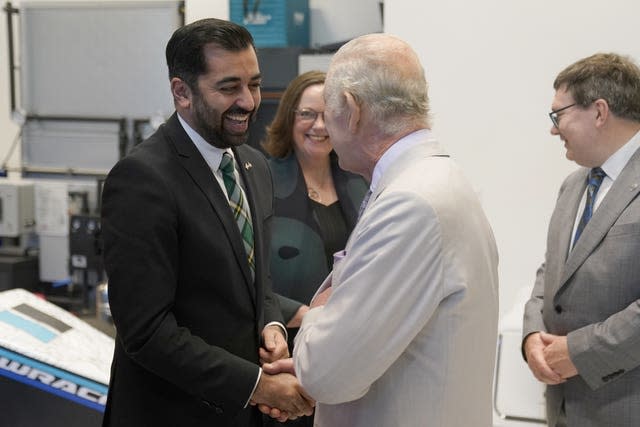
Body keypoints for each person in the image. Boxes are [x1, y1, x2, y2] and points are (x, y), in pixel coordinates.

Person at [263, 33, 500, 426]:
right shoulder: (441, 180)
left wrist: (318, 318)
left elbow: (326, 373)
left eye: (329, 110)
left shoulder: (410, 203)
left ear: (352, 111)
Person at [100, 18, 313, 426]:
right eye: (229, 87)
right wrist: (258, 386)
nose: (249, 102)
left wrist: (271, 323)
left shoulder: (254, 165)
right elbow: (146, 332)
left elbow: (256, 278)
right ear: (181, 92)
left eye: (253, 83)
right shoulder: (142, 179)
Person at [522, 53, 640, 427]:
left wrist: (580, 351)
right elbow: (551, 271)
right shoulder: (573, 186)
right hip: (563, 409)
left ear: (599, 112)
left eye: (559, 115)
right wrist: (531, 338)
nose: (554, 130)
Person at [262, 70, 367, 336]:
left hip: (352, 335)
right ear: (289, 118)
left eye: (328, 115)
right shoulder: (261, 181)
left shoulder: (361, 180)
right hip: (286, 340)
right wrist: (300, 315)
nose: (319, 126)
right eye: (307, 114)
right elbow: (244, 277)